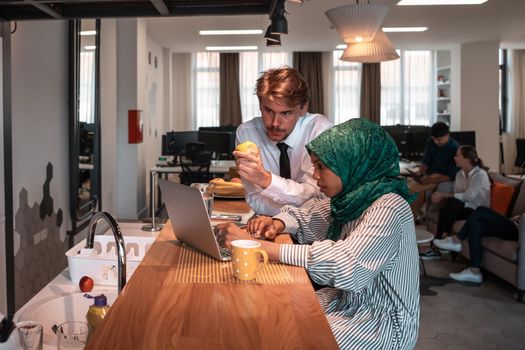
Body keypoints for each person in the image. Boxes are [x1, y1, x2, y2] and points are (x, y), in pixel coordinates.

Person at [218, 119, 420, 349]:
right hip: (345, 302)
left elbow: (346, 265)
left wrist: (258, 247)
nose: (315, 175)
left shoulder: (389, 206)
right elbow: (310, 214)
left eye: (322, 166)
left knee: (281, 337)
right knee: (267, 315)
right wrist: (277, 223)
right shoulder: (350, 199)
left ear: (350, 163)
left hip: (379, 323)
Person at [234, 67, 332, 216]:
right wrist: (285, 220)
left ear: (303, 107)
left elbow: (317, 197)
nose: (275, 123)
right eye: (268, 110)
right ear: (260, 105)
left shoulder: (319, 130)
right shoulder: (247, 133)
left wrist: (265, 180)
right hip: (266, 223)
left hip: (314, 228)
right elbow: (254, 199)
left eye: (286, 113)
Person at [424, 145, 490, 259]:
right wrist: (442, 196)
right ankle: (439, 245)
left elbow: (469, 197)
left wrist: (443, 195)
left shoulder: (480, 175)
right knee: (447, 206)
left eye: (457, 156)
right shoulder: (459, 174)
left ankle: (444, 240)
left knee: (451, 202)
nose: (454, 158)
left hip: (476, 210)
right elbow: (457, 194)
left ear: (467, 159)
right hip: (462, 207)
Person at [433, 206, 520, 283]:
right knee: (476, 224)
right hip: (513, 223)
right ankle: (475, 272)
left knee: (481, 210)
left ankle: (456, 240)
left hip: (517, 230)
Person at [408, 122, 459, 220]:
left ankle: (414, 217)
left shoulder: (454, 148)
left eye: (439, 139)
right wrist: (419, 173)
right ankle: (414, 216)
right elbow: (426, 162)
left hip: (442, 178)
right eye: (434, 139)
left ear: (447, 135)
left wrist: (429, 181)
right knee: (410, 188)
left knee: (413, 189)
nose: (436, 142)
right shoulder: (430, 142)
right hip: (429, 175)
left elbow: (450, 175)